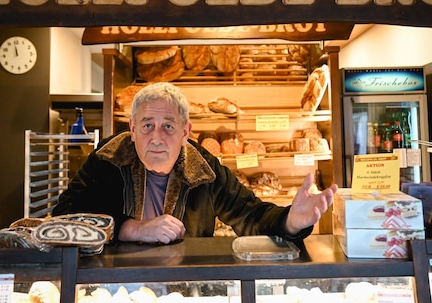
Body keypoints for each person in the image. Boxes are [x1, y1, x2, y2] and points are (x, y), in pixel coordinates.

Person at [53, 82, 338, 244]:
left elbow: (251, 215)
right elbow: (64, 216)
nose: (156, 138)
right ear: (132, 129)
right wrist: (134, 228)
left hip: (184, 290)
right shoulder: (108, 159)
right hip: (111, 290)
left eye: (168, 127)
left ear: (186, 132)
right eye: (147, 125)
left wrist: (290, 221)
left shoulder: (204, 170)